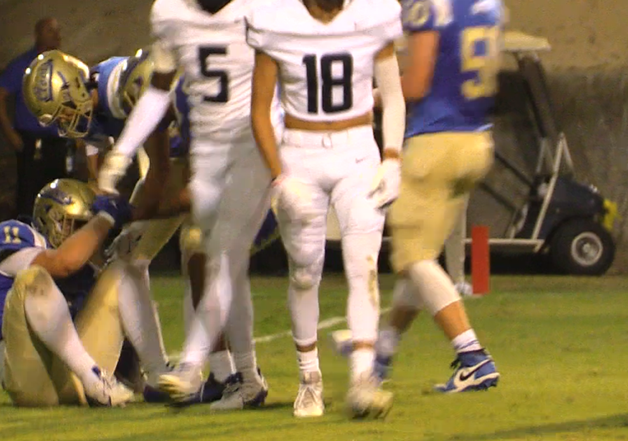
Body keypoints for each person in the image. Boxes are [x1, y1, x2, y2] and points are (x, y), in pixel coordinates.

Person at [22, 49, 260, 408]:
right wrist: (106, 210)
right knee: (127, 257)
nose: (65, 124)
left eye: (64, 112)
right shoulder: (93, 114)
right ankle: (156, 372)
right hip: (179, 162)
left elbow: (159, 173)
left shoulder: (123, 86)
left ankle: (229, 375)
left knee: (196, 250)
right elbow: (101, 177)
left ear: (75, 89)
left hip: (213, 155)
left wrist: (125, 213)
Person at [95, 0, 278, 408]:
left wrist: (125, 209)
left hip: (263, 155)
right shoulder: (170, 25)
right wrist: (120, 160)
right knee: (195, 255)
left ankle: (229, 373)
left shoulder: (258, 16)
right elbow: (161, 161)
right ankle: (223, 374)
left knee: (213, 255)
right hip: (215, 162)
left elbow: (171, 187)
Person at [334, 0, 504, 394]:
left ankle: (473, 356)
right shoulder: (487, 5)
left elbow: (415, 83)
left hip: (435, 145)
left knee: (413, 257)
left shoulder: (428, 7)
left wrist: (364, 99)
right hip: (476, 140)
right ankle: (383, 352)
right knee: (419, 257)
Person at [247, 0, 405, 418]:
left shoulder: (374, 12)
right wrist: (279, 178)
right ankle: (309, 378)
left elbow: (393, 95)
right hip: (300, 156)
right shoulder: (275, 18)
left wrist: (392, 157)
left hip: (357, 152)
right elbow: (259, 111)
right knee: (303, 271)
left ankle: (362, 380)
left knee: (363, 264)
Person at [0, 179, 137, 407]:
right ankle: (92, 377)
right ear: (51, 219)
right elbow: (63, 263)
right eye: (77, 225)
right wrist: (105, 219)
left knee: (122, 270)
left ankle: (154, 371)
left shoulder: (87, 265)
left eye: (87, 226)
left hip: (69, 372)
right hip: (28, 371)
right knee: (33, 278)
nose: (85, 234)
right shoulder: (17, 236)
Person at [0, 17, 67, 218]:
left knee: (58, 194)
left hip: (57, 139)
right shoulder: (23, 65)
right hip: (31, 139)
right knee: (29, 195)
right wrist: (11, 135)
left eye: (57, 31)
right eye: (50, 31)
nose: (56, 35)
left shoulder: (64, 65)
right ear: (38, 34)